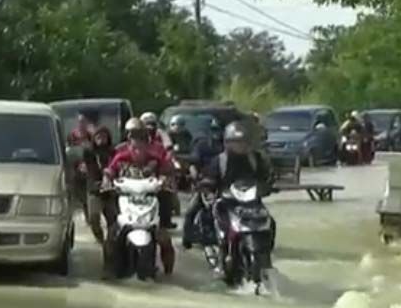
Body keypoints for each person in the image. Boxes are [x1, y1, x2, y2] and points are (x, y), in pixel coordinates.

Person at [103, 118, 175, 275]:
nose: (137, 142)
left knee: (164, 238)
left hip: (151, 200)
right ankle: (108, 268)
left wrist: (165, 180)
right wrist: (107, 181)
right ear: (128, 139)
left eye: (141, 137)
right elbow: (110, 171)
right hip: (126, 200)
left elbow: (166, 169)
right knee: (112, 233)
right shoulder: (121, 155)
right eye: (133, 137)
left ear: (146, 138)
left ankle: (169, 272)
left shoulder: (155, 156)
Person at [203, 123, 274, 267]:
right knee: (209, 219)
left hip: (252, 203)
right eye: (235, 142)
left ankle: (266, 254)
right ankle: (217, 254)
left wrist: (267, 186)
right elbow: (209, 178)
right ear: (227, 143)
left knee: (271, 223)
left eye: (242, 142)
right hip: (227, 203)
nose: (239, 146)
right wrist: (209, 190)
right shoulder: (220, 161)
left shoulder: (255, 159)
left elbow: (266, 176)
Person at [182, 120, 225, 249]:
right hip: (205, 183)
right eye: (213, 130)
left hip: (223, 184)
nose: (216, 133)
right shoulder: (202, 145)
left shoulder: (228, 147)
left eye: (218, 130)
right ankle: (187, 238)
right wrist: (195, 177)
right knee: (191, 211)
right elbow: (193, 163)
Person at [83, 126, 118, 245]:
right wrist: (97, 182)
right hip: (95, 189)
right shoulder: (89, 152)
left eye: (104, 137)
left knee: (112, 219)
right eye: (98, 137)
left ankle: (111, 242)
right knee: (93, 218)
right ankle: (100, 239)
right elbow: (90, 169)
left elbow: (117, 167)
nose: (101, 139)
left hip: (110, 190)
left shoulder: (113, 152)